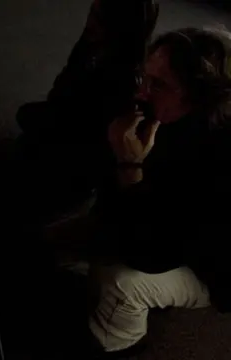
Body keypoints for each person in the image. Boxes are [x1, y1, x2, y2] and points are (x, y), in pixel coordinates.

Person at [15, 0, 231, 358]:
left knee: (123, 283)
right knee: (39, 244)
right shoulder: (161, 115)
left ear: (198, 99)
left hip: (211, 265)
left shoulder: (218, 164)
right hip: (157, 224)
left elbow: (149, 254)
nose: (141, 91)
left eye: (158, 85)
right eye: (144, 77)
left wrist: (129, 167)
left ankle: (118, 342)